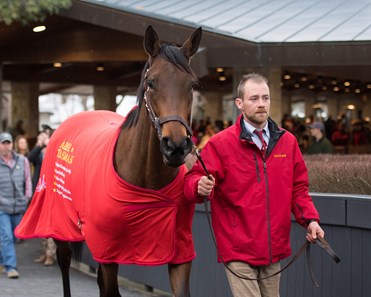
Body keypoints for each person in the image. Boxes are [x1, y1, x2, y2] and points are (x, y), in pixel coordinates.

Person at [184, 73, 324, 297]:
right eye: (254, 98)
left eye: (265, 98)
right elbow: (192, 180)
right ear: (239, 103)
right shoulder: (220, 144)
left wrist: (310, 220)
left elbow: (298, 189)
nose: (261, 104)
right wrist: (197, 186)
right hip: (237, 249)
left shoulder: (287, 142)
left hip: (273, 249)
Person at [0, 132, 32, 278]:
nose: (6, 146)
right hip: (2, 207)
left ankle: (2, 260)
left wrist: (27, 197)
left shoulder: (22, 160)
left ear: (12, 144)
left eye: (8, 143)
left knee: (13, 237)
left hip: (18, 206)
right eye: (3, 143)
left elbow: (28, 180)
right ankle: (11, 267)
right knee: (6, 236)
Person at [28, 131, 56, 266]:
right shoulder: (38, 152)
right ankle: (45, 252)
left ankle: (51, 254)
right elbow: (30, 158)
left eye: (45, 137)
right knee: (41, 223)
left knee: (50, 222)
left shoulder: (54, 150)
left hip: (51, 192)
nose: (43, 140)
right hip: (39, 191)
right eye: (40, 137)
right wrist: (39, 145)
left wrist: (48, 144)